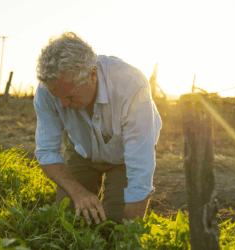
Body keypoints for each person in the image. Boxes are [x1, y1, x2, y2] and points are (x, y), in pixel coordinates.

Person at [33, 31, 162, 226]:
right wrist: (78, 193)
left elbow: (140, 168)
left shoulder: (131, 85)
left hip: (124, 157)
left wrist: (128, 238)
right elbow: (47, 152)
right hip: (80, 148)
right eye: (57, 96)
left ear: (92, 76)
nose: (64, 103)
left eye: (70, 95)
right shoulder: (45, 91)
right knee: (70, 220)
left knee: (117, 223)